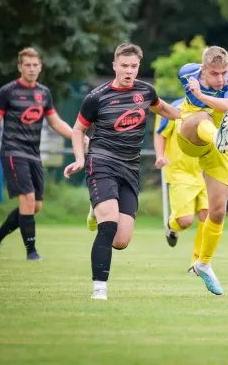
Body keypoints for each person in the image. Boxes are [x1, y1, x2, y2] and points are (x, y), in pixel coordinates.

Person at [63, 43, 180, 300]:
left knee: (121, 240)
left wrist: (187, 117)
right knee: (108, 226)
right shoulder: (96, 97)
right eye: (124, 66)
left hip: (130, 167)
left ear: (139, 66)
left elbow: (163, 109)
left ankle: (97, 208)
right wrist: (80, 159)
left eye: (134, 66)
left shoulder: (146, 91)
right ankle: (99, 290)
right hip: (101, 162)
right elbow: (78, 130)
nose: (129, 71)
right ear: (115, 65)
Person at [0, 47, 77, 261]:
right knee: (28, 199)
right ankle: (32, 252)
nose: (31, 69)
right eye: (27, 65)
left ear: (40, 67)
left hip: (33, 154)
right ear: (20, 67)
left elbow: (55, 122)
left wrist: (78, 136)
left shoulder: (44, 93)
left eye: (35, 65)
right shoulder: (7, 92)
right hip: (12, 151)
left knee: (34, 206)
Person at [174, 46, 228, 295]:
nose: (221, 79)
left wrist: (201, 95)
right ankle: (217, 135)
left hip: (221, 149)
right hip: (191, 136)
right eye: (215, 74)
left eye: (224, 72)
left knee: (217, 212)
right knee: (202, 116)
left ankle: (203, 263)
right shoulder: (188, 73)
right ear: (203, 69)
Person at [153, 98, 209, 272]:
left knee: (207, 217)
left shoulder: (210, 108)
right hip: (179, 172)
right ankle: (172, 225)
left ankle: (197, 263)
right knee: (185, 221)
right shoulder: (175, 108)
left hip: (203, 171)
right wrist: (160, 155)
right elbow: (160, 133)